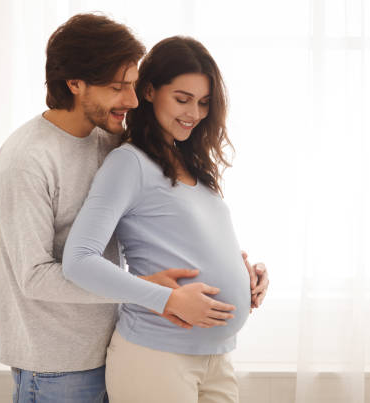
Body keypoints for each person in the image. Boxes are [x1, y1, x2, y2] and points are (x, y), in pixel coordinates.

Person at [0, 14, 269, 403]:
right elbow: (34, 276)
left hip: (113, 341)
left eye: (135, 86)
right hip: (57, 362)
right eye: (119, 88)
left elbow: (157, 224)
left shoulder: (108, 139)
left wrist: (232, 267)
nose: (133, 101)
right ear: (75, 83)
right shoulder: (26, 159)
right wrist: (156, 295)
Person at [62, 35, 257, 403]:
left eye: (203, 103)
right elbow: (78, 261)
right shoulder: (129, 163)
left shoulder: (196, 166)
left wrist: (244, 272)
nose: (194, 114)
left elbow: (189, 241)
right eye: (182, 99)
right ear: (149, 91)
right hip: (156, 356)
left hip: (215, 357)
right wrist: (167, 299)